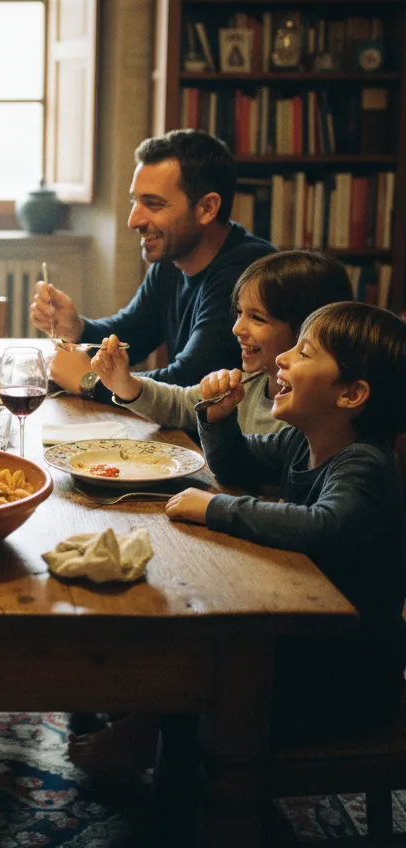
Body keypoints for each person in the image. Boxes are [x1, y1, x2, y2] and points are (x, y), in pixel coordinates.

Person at [73, 302, 406, 775]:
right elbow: (237, 465)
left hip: (344, 680)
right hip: (302, 648)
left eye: (304, 352)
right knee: (183, 646)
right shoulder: (303, 440)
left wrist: (216, 507)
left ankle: (175, 801)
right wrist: (218, 418)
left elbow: (325, 525)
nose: (283, 359)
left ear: (351, 393)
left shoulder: (364, 464)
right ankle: (137, 723)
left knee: (192, 667)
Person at [29, 129, 275, 400]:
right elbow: (133, 334)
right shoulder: (174, 258)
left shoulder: (246, 274)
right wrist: (76, 328)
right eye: (136, 200)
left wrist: (90, 380)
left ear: (207, 208)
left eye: (153, 204)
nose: (134, 220)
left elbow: (189, 383)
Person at [89, 249, 354, 435]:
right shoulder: (248, 385)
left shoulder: (310, 415)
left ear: (307, 330)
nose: (237, 328)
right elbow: (181, 404)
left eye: (257, 318)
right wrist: (126, 385)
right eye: (239, 313)